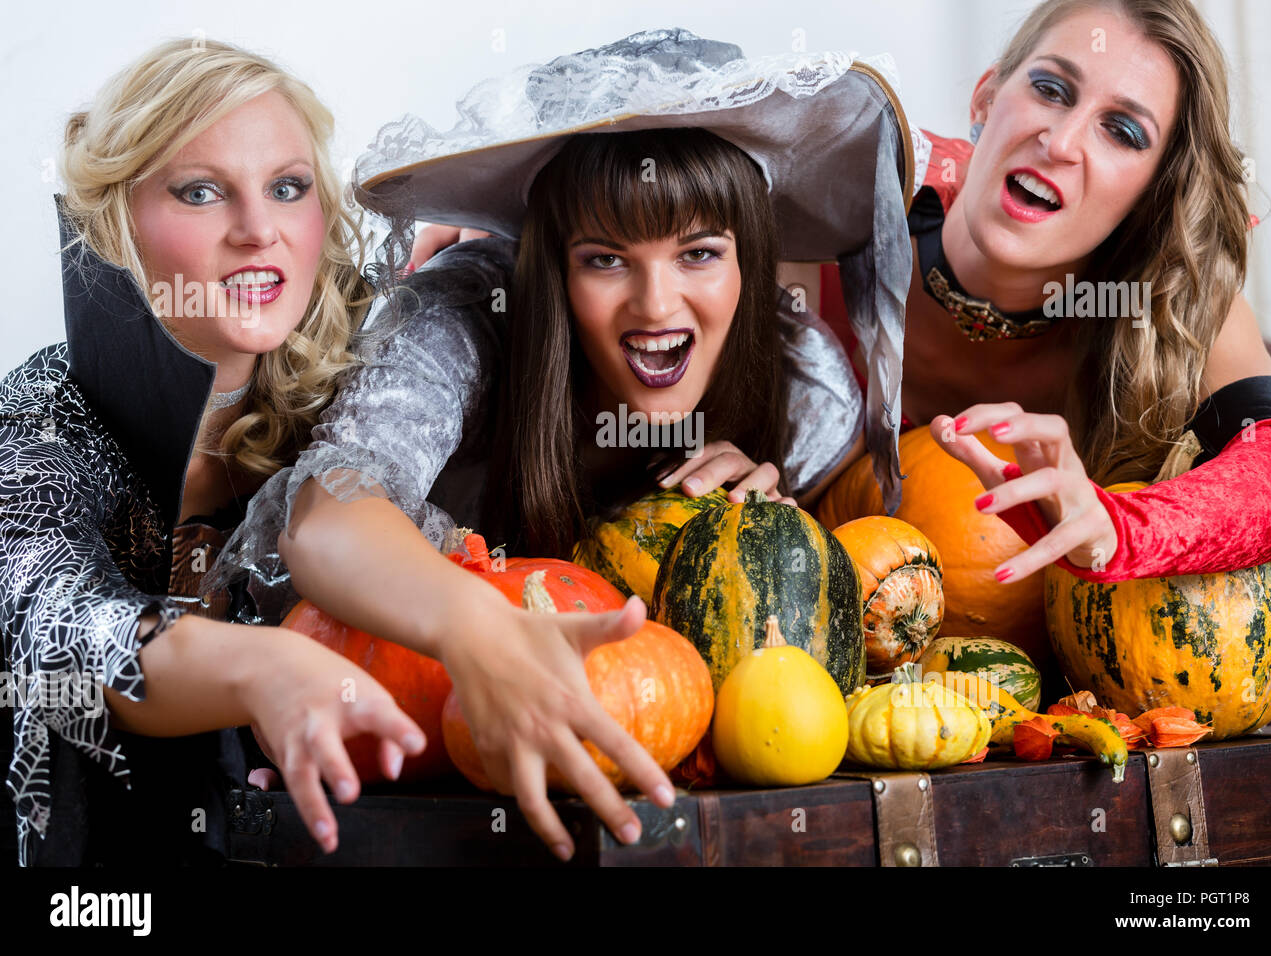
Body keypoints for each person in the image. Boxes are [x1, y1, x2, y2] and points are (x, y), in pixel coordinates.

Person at [207, 28, 915, 861]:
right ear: (549, 267)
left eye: (699, 253)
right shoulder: (465, 317)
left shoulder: (809, 392)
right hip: (402, 746)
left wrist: (758, 529)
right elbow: (328, 517)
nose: (657, 305)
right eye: (606, 259)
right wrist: (477, 628)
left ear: (751, 264)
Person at [0, 39, 428, 866]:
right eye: (201, 192)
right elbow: (61, 624)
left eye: (287, 188)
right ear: (114, 222)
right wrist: (268, 670)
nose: (258, 230)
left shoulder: (350, 424)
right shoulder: (39, 421)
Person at [810, 0, 1271, 586]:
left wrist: (1121, 529)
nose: (1062, 142)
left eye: (1122, 131)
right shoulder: (838, 209)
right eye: (1051, 88)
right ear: (986, 100)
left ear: (1151, 194)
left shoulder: (1171, 300)